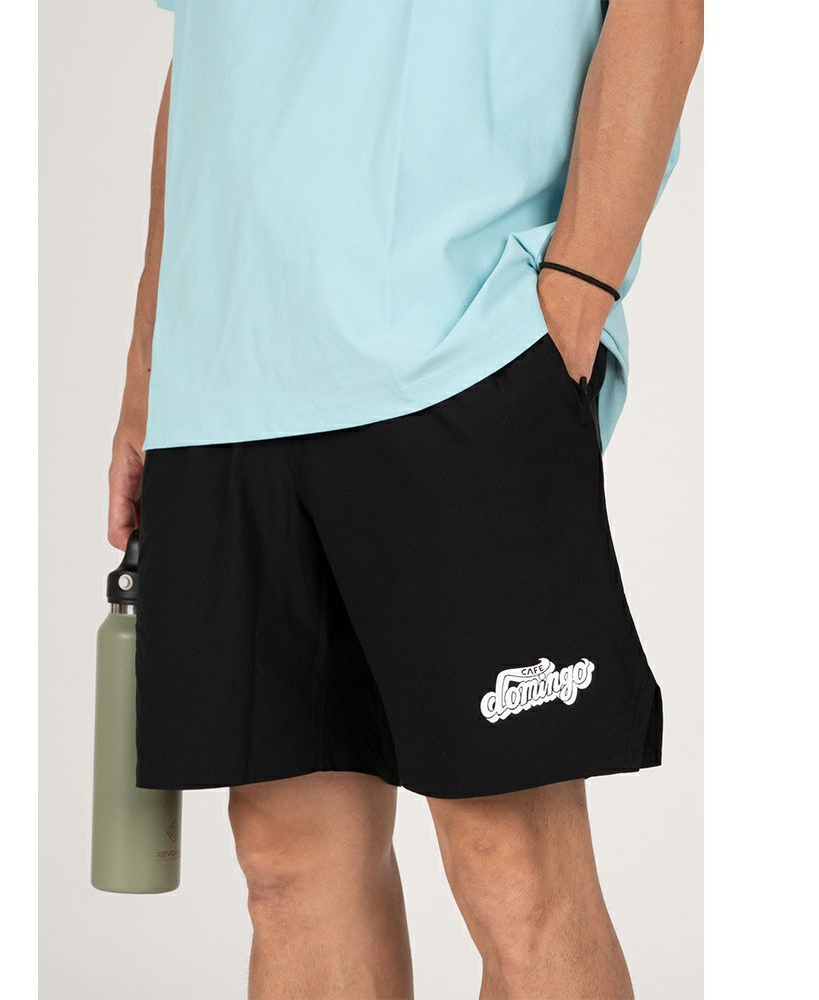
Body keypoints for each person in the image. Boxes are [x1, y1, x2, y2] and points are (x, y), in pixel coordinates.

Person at [108, 1, 702, 996]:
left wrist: (573, 293)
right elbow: (204, 56)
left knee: (512, 868)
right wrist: (147, 372)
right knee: (288, 872)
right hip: (225, 379)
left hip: (458, 344)